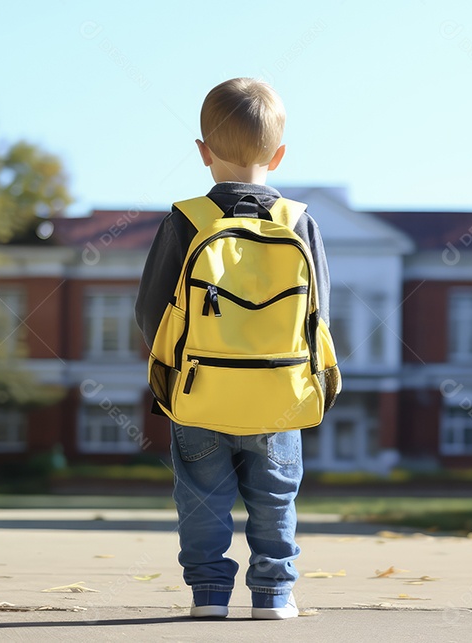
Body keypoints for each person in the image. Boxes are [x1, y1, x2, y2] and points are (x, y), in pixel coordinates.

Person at [135, 78, 331, 620]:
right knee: (275, 501)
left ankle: (209, 596)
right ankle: (274, 595)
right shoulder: (298, 221)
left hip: (200, 394)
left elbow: (150, 311)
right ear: (281, 153)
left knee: (201, 500)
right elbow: (319, 316)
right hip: (277, 397)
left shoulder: (187, 219)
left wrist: (171, 372)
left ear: (204, 152)